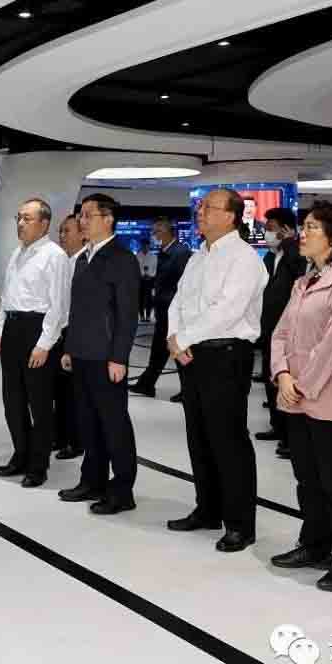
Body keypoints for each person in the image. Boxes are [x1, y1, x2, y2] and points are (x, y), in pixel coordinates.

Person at [268, 202, 332, 592]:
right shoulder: (303, 282)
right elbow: (280, 334)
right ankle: (315, 545)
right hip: (297, 397)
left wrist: (301, 385)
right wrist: (282, 375)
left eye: (312, 227)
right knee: (307, 479)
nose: (304, 233)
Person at [166, 189, 268, 553]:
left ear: (230, 216)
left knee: (228, 440)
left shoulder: (244, 258)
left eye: (209, 207)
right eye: (200, 207)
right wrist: (174, 337)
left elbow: (227, 310)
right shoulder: (198, 256)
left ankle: (239, 524)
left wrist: (184, 338)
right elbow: (178, 300)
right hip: (192, 354)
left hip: (226, 355)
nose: (201, 212)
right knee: (199, 436)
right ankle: (207, 508)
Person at [59, 194, 141, 515]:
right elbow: (76, 310)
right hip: (82, 353)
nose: (82, 221)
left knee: (114, 424)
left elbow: (127, 314)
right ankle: (92, 480)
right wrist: (69, 347)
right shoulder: (83, 258)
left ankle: (122, 490)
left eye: (87, 215)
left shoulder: (122, 259)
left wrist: (119, 357)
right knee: (88, 422)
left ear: (108, 219)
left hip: (106, 357)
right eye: (80, 215)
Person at [0, 198, 69, 489]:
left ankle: (38, 465)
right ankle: (20, 455)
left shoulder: (54, 256)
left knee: (39, 402)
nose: (20, 223)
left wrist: (44, 344)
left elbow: (59, 305)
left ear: (44, 223)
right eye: (19, 218)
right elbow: (7, 295)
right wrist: (1, 330)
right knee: (12, 400)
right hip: (13, 329)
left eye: (27, 218)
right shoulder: (17, 254)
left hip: (37, 331)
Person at [255, 207, 304, 459]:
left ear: (286, 229)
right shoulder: (270, 256)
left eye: (271, 228)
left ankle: (290, 437)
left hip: (288, 329)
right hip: (268, 329)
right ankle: (277, 426)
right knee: (269, 379)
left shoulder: (294, 253)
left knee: (286, 381)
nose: (267, 232)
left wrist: (290, 242)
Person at [131, 218, 191, 399]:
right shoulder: (166, 252)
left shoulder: (180, 253)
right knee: (159, 350)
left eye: (155, 232)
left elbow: (185, 284)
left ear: (165, 232)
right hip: (164, 310)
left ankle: (188, 391)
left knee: (176, 350)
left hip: (174, 312)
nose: (153, 236)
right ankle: (147, 384)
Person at [52, 214, 87, 459]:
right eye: (60, 231)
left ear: (82, 234)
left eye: (67, 231)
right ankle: (61, 435)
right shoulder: (65, 262)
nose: (62, 236)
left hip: (75, 335)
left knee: (74, 393)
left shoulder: (84, 264)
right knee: (60, 390)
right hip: (60, 333)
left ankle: (76, 440)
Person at [137, 241, 157, 322]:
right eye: (143, 246)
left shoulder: (153, 256)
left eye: (146, 246)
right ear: (141, 246)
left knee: (149, 299)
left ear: (149, 246)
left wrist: (150, 275)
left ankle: (148, 316)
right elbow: (136, 268)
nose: (145, 247)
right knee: (140, 298)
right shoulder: (137, 256)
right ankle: (142, 316)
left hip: (150, 280)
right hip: (140, 280)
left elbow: (155, 268)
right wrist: (142, 274)